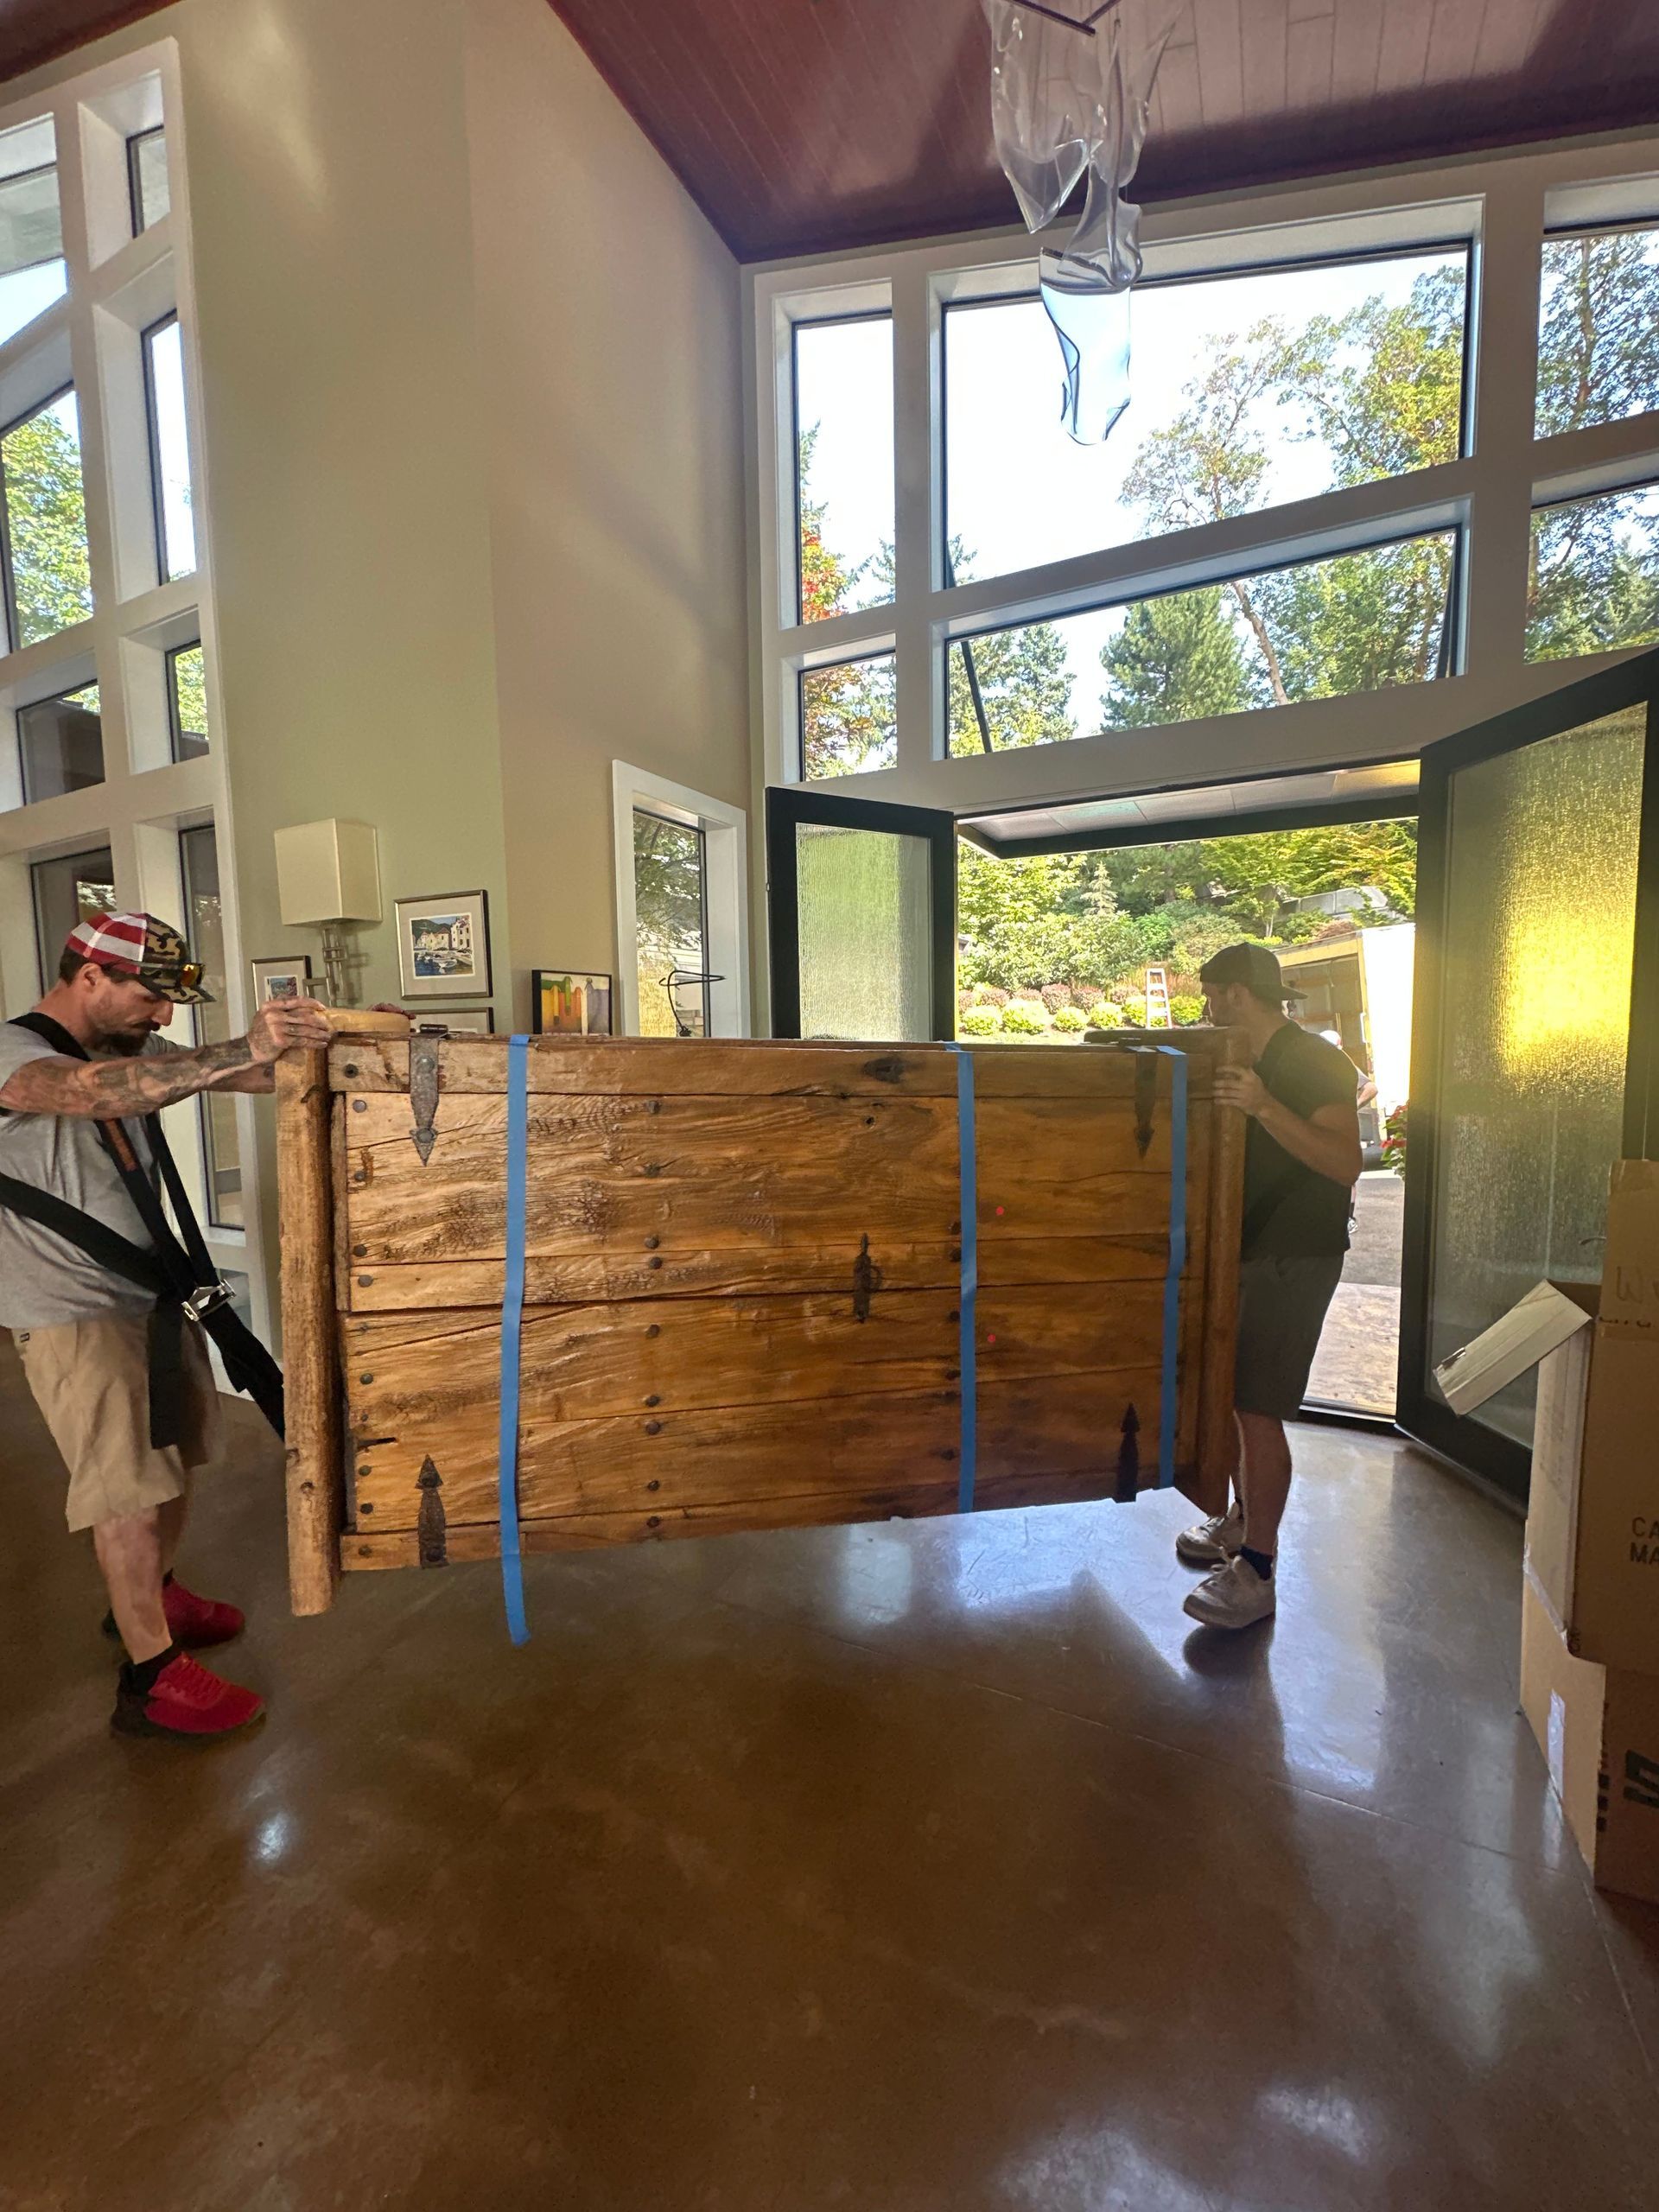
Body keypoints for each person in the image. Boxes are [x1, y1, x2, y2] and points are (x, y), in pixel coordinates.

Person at [1, 912, 332, 1738]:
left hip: (154, 1291)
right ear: (88, 977)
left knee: (178, 1460)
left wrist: (330, 1046)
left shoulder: (126, 1051)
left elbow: (232, 1079)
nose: (163, 1019)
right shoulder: (18, 1057)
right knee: (127, 1495)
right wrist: (239, 1049)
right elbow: (82, 1096)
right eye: (151, 998)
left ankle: (158, 1591)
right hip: (73, 1311)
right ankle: (149, 1679)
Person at [1176, 943, 1362, 1630]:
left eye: (1211, 993)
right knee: (1229, 1397)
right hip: (1247, 1254)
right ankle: (1242, 1519)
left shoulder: (1314, 1061)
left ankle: (1257, 1570)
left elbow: (1346, 1162)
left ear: (1234, 995)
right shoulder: (1238, 1058)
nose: (1205, 1006)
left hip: (1296, 1258)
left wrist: (1262, 1106)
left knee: (1256, 1408)